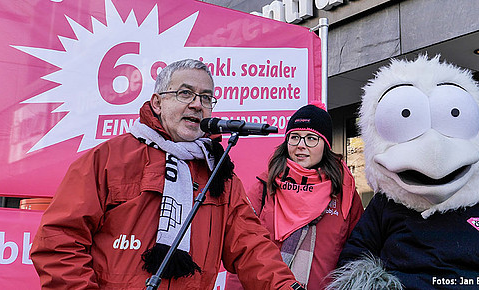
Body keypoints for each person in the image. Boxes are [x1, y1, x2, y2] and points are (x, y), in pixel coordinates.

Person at [30, 59, 306, 290]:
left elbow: (251, 248)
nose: (197, 104)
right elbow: (58, 243)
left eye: (206, 97)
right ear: (158, 103)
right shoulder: (107, 159)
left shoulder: (219, 174)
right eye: (185, 93)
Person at [225, 104, 364, 290]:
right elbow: (243, 248)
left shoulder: (344, 193)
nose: (301, 145)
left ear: (326, 145)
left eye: (311, 139)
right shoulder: (265, 186)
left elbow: (357, 255)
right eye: (295, 137)